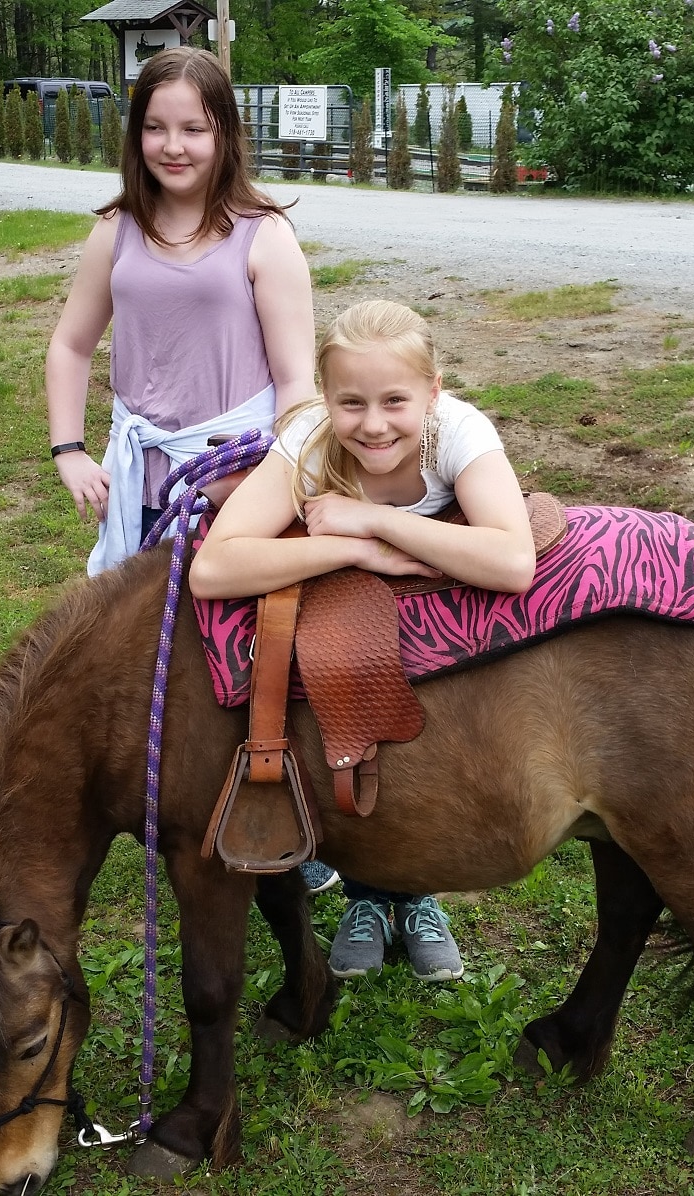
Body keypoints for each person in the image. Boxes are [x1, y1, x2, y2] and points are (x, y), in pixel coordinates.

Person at [190, 299, 538, 982]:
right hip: (349, 596)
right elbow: (212, 568)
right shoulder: (310, 439)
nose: (373, 425)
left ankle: (413, 894)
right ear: (325, 397)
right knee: (336, 692)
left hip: (434, 595)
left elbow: (511, 560)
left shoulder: (459, 431)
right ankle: (366, 894)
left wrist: (369, 519)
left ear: (433, 392)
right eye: (351, 403)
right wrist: (354, 551)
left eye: (395, 401)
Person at [43, 46, 314, 572]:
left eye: (194, 129)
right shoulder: (116, 230)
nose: (172, 147)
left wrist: (268, 480)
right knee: (134, 624)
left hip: (232, 488)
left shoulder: (265, 235)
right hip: (135, 487)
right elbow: (70, 345)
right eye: (155, 128)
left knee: (221, 622)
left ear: (224, 133)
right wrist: (68, 450)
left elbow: (296, 380)